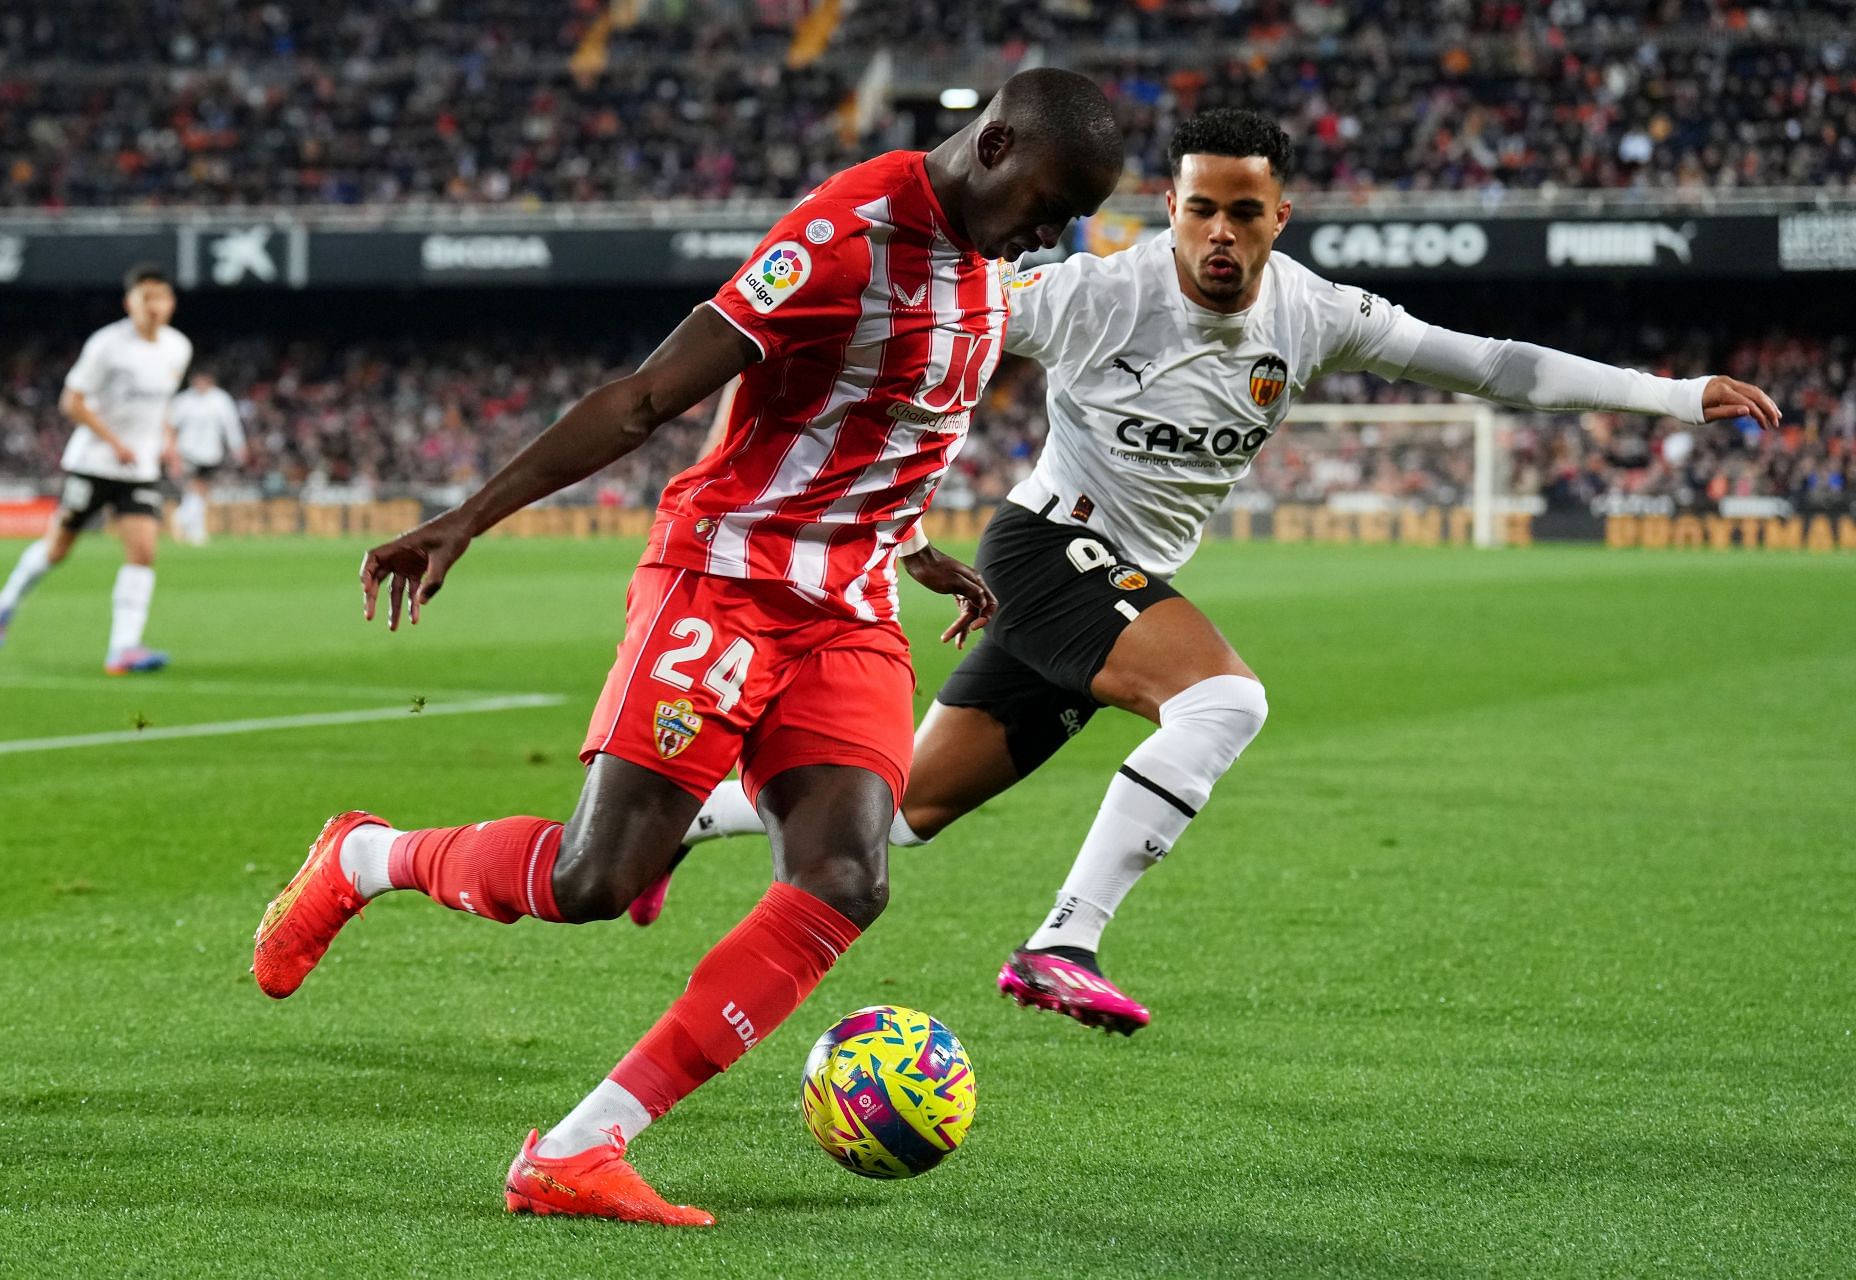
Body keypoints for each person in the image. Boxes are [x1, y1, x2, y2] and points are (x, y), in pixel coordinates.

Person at [651, 108, 1784, 1036]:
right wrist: (883, 520)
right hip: (1048, 547)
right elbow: (920, 362)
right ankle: (1062, 940)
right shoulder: (1094, 293)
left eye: (1247, 211)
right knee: (1224, 698)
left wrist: (1674, 394)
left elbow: (1490, 365)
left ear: (1280, 218)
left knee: (902, 809)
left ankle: (682, 822)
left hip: (1111, 574)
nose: (1222, 233)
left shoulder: (1318, 313)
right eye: (1201, 209)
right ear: (1173, 211)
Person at [250, 68, 1123, 1227]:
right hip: (725, 579)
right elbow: (649, 396)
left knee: (848, 878)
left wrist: (910, 547)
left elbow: (874, 410)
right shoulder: (846, 235)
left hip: (849, 605)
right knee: (592, 878)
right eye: (1047, 203)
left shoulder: (981, 259)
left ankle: (580, 1145)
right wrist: (466, 516)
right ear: (997, 142)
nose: (1046, 235)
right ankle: (366, 857)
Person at [0, 263, 191, 674]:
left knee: (144, 552)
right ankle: (4, 604)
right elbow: (71, 401)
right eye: (144, 297)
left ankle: (122, 649)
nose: (153, 306)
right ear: (129, 302)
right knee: (58, 549)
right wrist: (115, 443)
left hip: (141, 469)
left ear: (171, 303)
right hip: (93, 464)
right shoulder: (107, 345)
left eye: (160, 297)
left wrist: (168, 440)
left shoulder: (178, 347)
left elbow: (160, 403)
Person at [169, 369, 247, 545]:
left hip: (211, 453)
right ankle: (187, 520)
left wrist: (238, 446)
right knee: (195, 486)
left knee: (203, 490)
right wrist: (171, 451)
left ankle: (191, 524)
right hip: (188, 451)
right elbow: (171, 426)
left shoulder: (220, 399)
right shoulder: (184, 400)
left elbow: (231, 425)